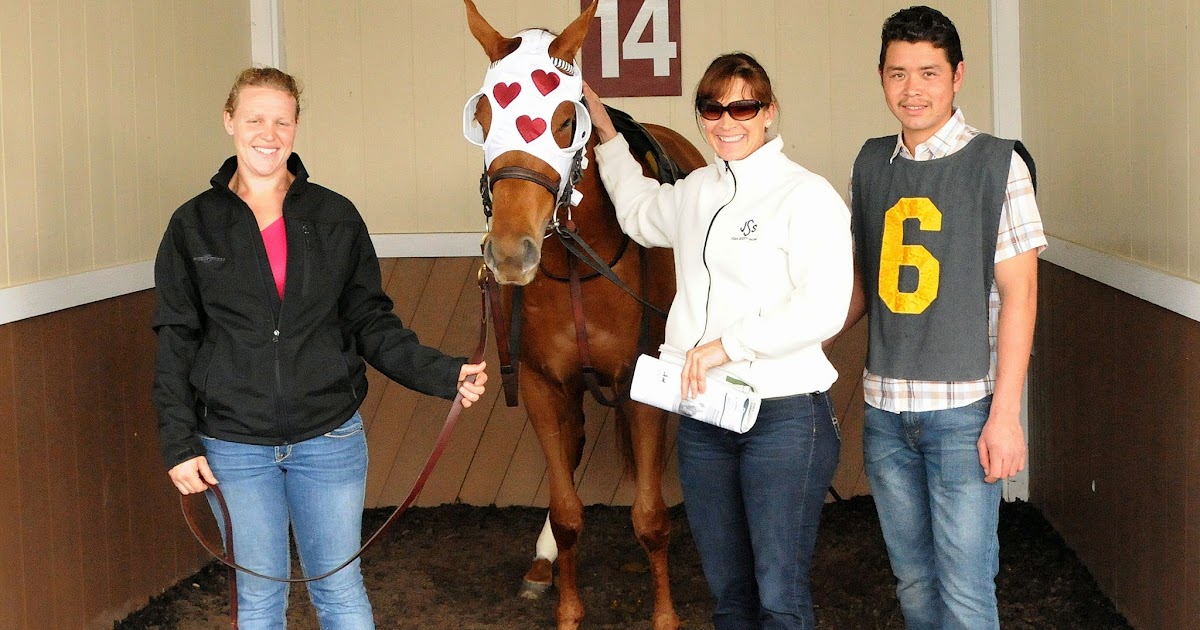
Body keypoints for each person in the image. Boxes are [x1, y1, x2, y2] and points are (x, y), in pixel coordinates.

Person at [151, 67, 487, 629]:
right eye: (255, 118)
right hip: (233, 444)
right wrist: (178, 443)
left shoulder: (334, 216)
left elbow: (371, 322)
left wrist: (442, 373)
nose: (268, 132)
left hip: (329, 438)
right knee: (259, 599)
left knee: (338, 590)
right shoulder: (192, 226)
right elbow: (176, 339)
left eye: (282, 120)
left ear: (297, 127)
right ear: (229, 121)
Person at [584, 52, 853, 630]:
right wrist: (606, 131)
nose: (727, 121)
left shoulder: (806, 195)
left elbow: (824, 307)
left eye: (743, 106)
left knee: (779, 596)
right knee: (728, 596)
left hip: (783, 418)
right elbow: (635, 212)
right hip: (706, 419)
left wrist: (728, 345)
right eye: (713, 108)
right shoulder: (696, 190)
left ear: (769, 113)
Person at [838, 6, 1046, 629]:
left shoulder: (997, 163)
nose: (912, 89)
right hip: (885, 408)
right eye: (898, 73)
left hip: (963, 412)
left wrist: (1004, 415)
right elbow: (861, 289)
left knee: (964, 588)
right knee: (913, 581)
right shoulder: (872, 162)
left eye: (928, 72)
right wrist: (780, 345)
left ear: (957, 76)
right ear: (881, 77)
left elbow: (1022, 295)